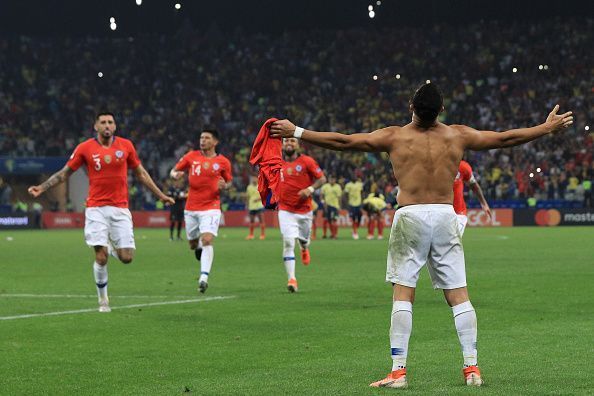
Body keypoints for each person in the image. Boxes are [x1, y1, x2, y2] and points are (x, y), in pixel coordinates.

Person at [270, 83, 573, 388]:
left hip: (410, 216)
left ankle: (398, 371)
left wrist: (297, 131)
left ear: (410, 107)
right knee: (458, 295)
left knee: (404, 292)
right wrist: (546, 128)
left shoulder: (395, 136)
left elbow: (345, 142)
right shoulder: (458, 135)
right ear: (442, 109)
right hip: (445, 216)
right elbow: (506, 138)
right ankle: (472, 369)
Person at [28, 112, 174, 313]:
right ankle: (103, 299)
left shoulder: (126, 146)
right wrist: (43, 187)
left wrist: (161, 195)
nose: (107, 125)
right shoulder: (85, 148)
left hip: (120, 208)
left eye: (110, 122)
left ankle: (113, 248)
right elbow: (65, 173)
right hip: (96, 208)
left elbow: (141, 173)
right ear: (95, 126)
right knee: (101, 256)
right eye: (103, 122)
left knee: (126, 257)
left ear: (115, 126)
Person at [170, 129, 232, 294]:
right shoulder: (191, 156)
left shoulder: (223, 162)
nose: (203, 140)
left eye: (207, 138)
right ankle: (197, 246)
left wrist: (224, 186)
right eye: (201, 137)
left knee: (207, 239)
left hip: (211, 207)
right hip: (191, 208)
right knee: (193, 244)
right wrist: (175, 175)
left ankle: (203, 278)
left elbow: (229, 182)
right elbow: (174, 170)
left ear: (215, 142)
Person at [277, 137, 326, 292]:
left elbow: (322, 178)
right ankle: (292, 279)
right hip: (285, 209)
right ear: (282, 145)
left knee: (304, 240)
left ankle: (304, 248)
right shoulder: (277, 163)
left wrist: (310, 189)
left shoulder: (307, 161)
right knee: (288, 242)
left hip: (304, 210)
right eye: (286, 141)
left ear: (298, 145)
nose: (289, 144)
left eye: (292, 141)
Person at [454, 160, 491, 235]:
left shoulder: (462, 166)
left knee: (452, 243)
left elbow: (474, 185)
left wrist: (483, 203)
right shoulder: (435, 165)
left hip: (458, 214)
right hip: (438, 212)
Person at [245, 175, 266, 240]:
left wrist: (258, 199)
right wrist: (247, 205)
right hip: (252, 206)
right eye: (252, 178)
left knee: (261, 220)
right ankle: (251, 235)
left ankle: (262, 234)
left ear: (257, 179)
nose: (254, 179)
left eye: (255, 178)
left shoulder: (260, 186)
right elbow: (248, 197)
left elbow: (264, 196)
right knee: (251, 221)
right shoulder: (249, 187)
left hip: (259, 205)